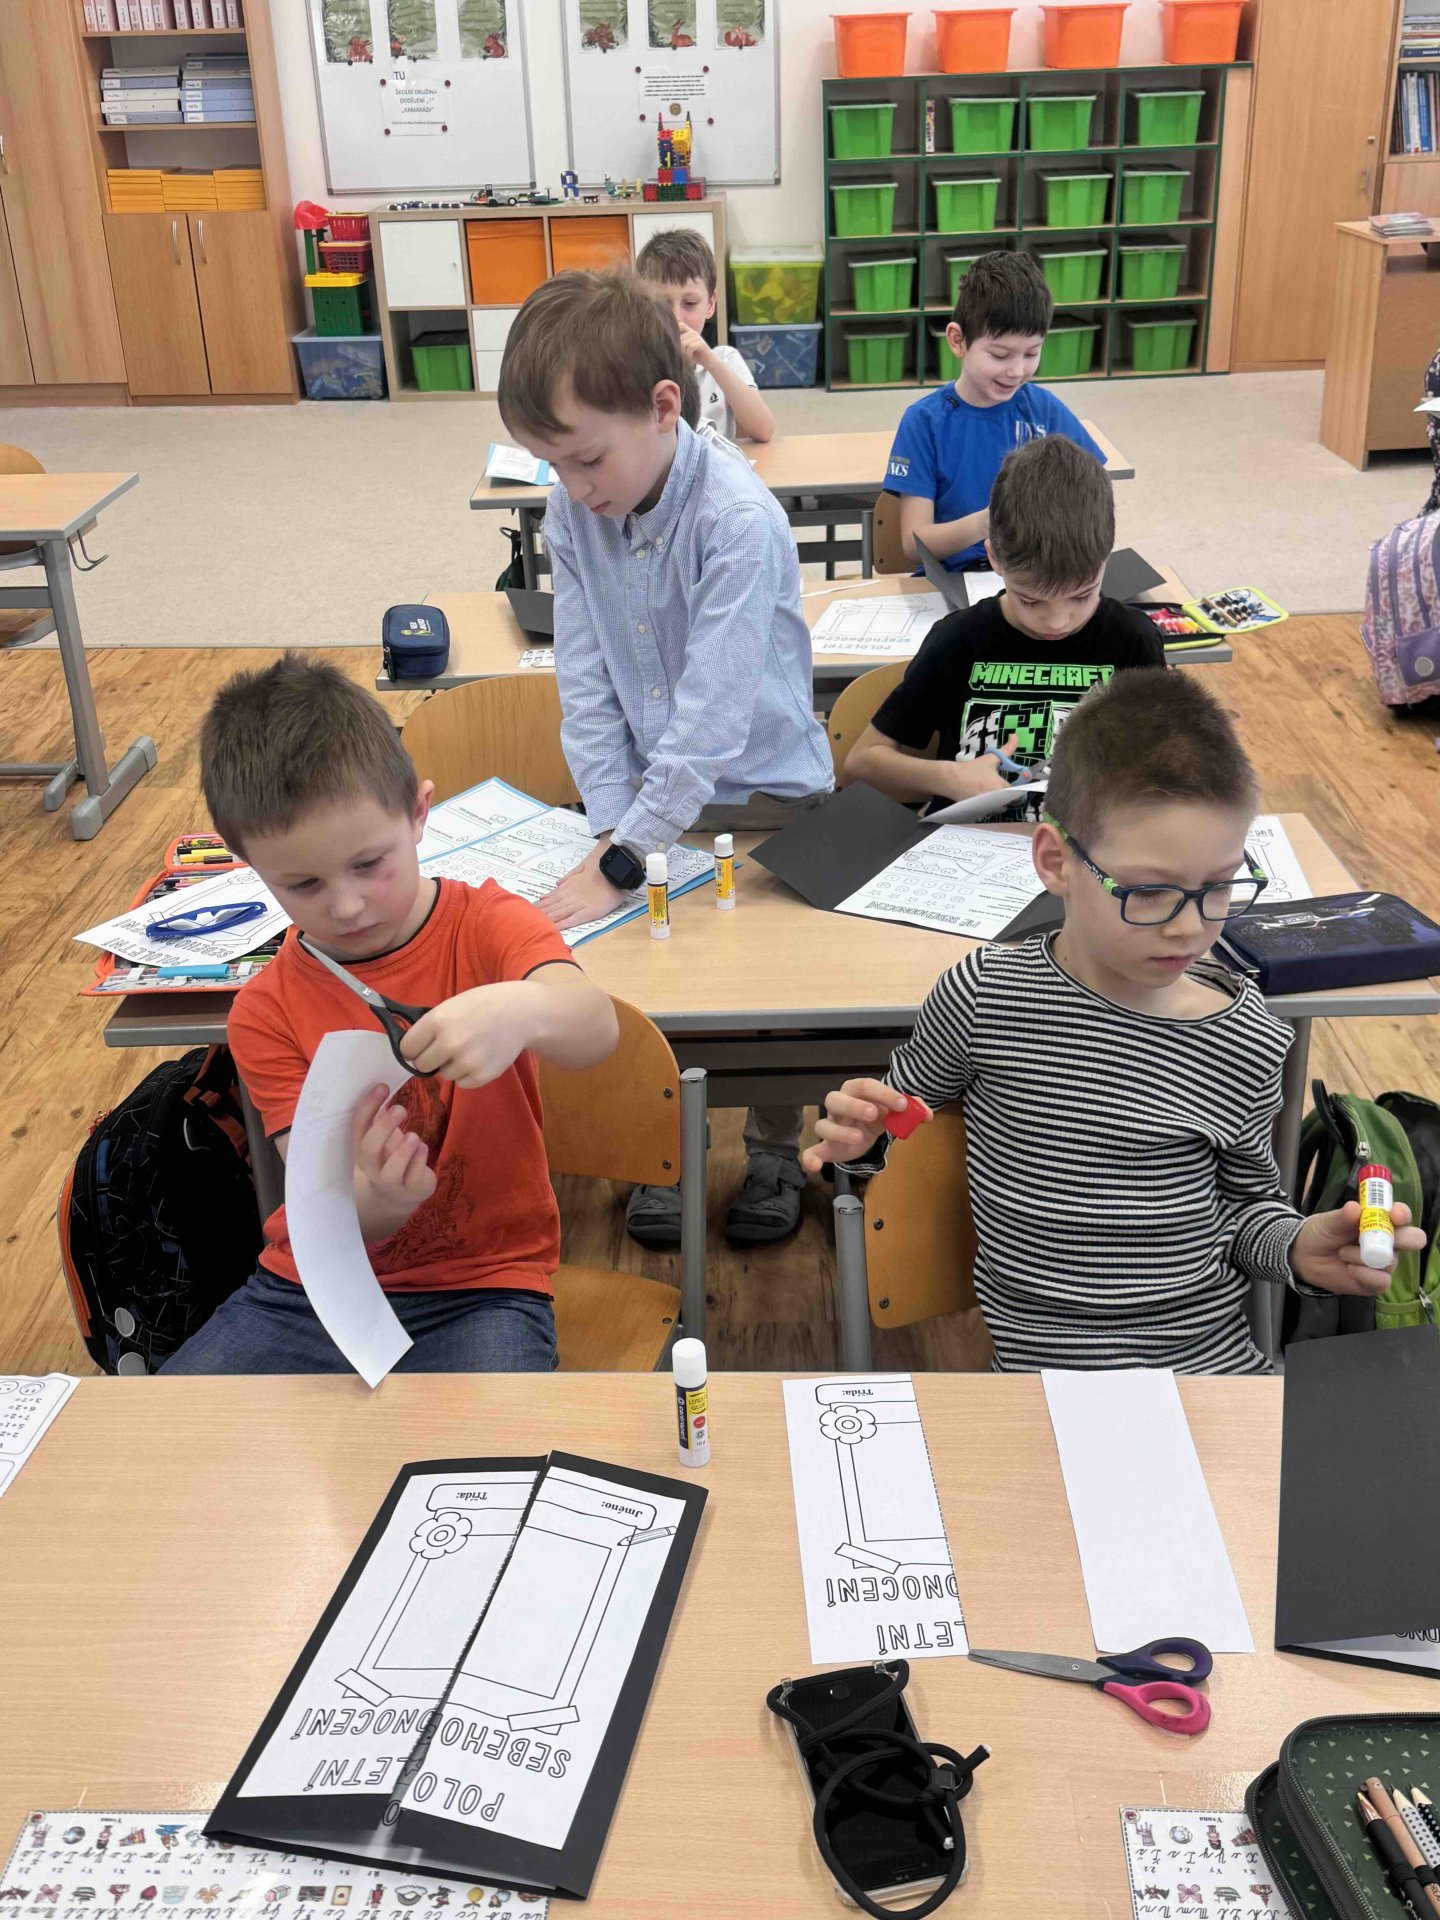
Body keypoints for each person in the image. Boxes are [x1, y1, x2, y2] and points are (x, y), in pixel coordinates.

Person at [804, 669, 1426, 1374]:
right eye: (1151, 891)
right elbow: (889, 1132)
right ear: (1055, 862)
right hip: (1042, 1376)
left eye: (1219, 885)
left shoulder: (1245, 1035)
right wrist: (858, 1145)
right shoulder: (986, 996)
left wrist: (1298, 1245)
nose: (1190, 927)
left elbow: (1244, 1210)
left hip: (1206, 1366)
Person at [161, 654, 619, 1375]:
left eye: (369, 864)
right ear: (251, 867)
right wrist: (380, 1202)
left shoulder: (489, 925)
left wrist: (526, 1007)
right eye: (303, 884)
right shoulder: (266, 1011)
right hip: (306, 1288)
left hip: (485, 1286)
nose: (346, 906)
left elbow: (596, 1029)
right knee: (169, 1430)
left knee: (487, 1446)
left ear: (418, 813)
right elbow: (326, 1208)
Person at [497, 268, 833, 1248]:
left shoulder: (737, 520)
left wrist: (620, 857)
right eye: (553, 465)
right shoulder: (576, 509)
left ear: (662, 407)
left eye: (586, 459)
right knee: (651, 985)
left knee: (768, 1000)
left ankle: (773, 1148)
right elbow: (587, 679)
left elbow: (712, 724)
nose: (573, 488)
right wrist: (615, 824)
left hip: (767, 795)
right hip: (651, 797)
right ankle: (665, 1150)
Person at [846, 435, 1166, 818]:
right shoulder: (958, 640)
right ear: (994, 557)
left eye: (1082, 596)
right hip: (972, 841)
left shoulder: (1132, 640)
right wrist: (947, 777)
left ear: (1105, 558)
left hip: (1086, 843)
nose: (1057, 621)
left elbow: (1163, 763)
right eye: (1031, 600)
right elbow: (863, 760)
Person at [883, 249, 1106, 571]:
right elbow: (913, 544)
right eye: (1000, 355)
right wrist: (993, 520)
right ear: (958, 341)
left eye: (1031, 354)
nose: (1016, 371)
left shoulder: (1044, 410)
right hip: (958, 576)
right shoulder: (925, 422)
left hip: (1033, 577)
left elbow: (1093, 496)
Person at [635, 227, 775, 444]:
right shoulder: (632, 364)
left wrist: (711, 363)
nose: (676, 318)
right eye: (662, 304)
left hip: (715, 465)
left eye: (689, 303)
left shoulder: (724, 359)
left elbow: (763, 430)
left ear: (710, 305)